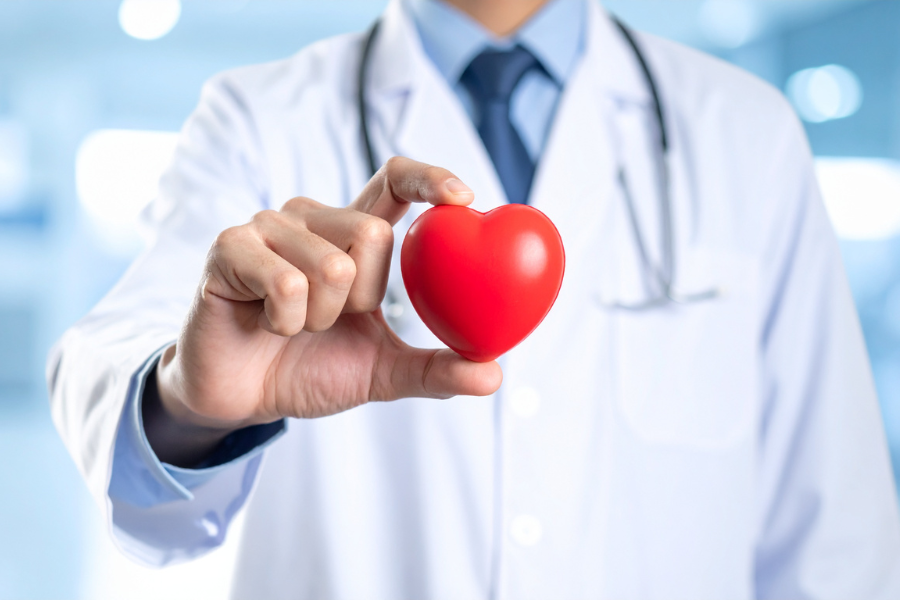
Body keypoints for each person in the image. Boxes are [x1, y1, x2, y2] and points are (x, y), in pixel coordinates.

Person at [48, 0, 900, 597]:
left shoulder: (745, 132)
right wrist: (190, 409)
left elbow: (837, 543)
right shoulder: (255, 119)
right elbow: (110, 361)